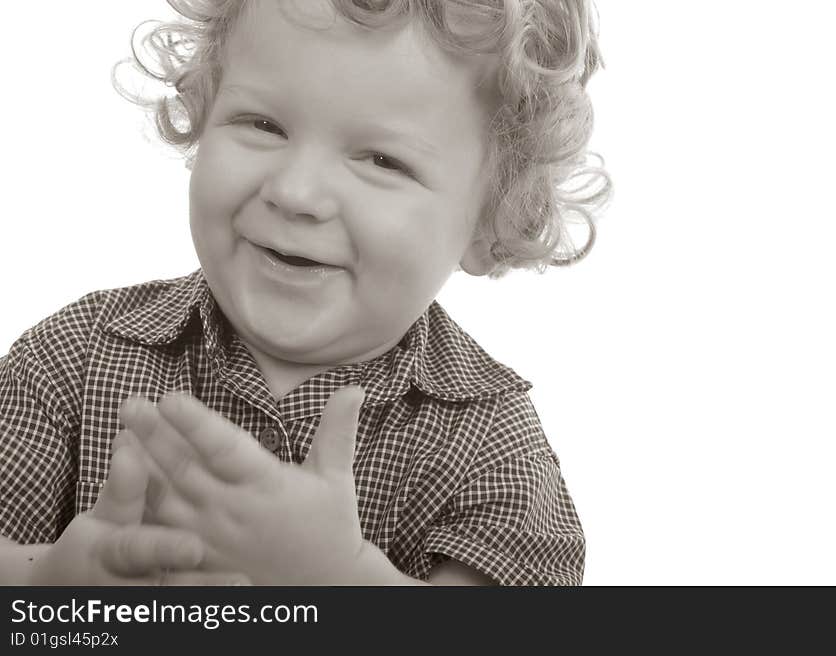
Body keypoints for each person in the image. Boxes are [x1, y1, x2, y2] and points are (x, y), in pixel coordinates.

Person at [0, 0, 610, 586]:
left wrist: (344, 583)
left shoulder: (490, 447)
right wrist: (45, 588)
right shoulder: (71, 362)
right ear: (201, 112)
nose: (295, 192)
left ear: (494, 217)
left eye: (381, 160)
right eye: (263, 124)